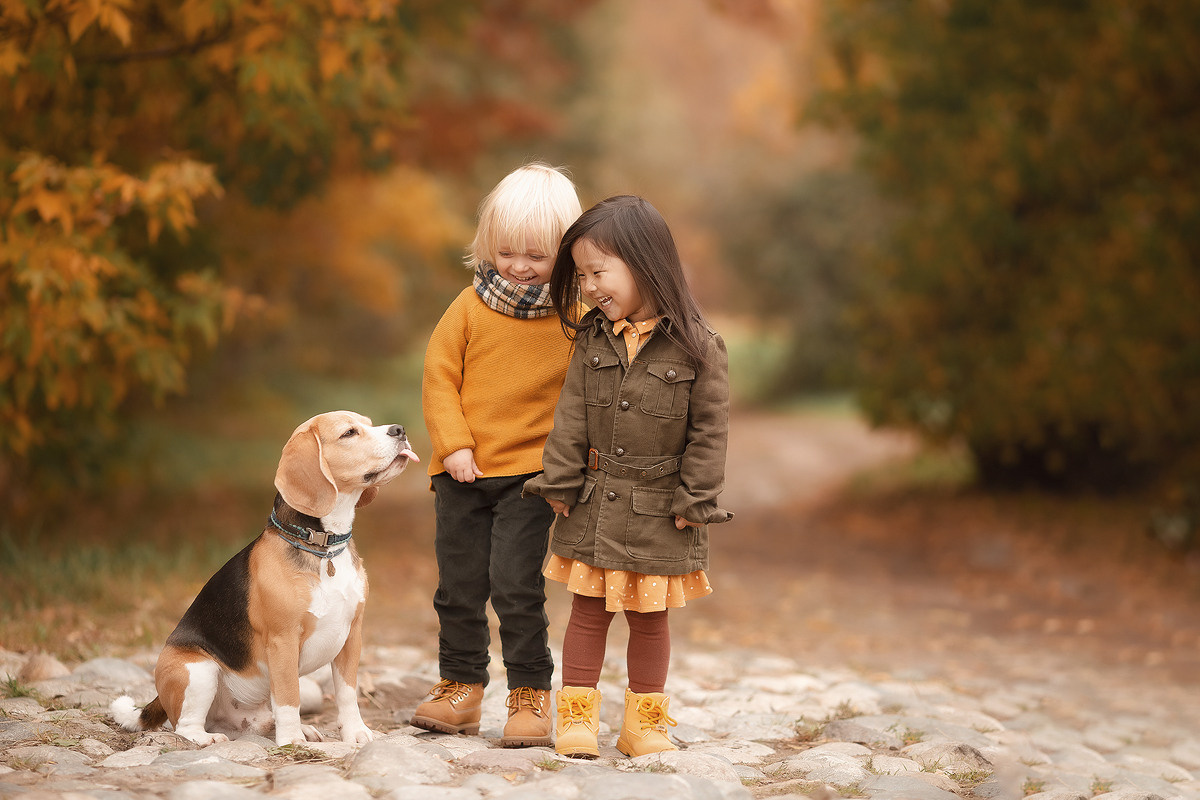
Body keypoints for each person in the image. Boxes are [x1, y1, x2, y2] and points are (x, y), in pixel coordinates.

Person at [524, 195, 733, 758]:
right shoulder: (592, 338)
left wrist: (698, 498)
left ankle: (645, 724)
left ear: (645, 264)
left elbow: (709, 432)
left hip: (660, 509)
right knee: (587, 614)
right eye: (582, 276)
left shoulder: (699, 348)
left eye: (599, 272)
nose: (589, 286)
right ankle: (576, 719)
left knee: (650, 619)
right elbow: (570, 414)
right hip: (595, 501)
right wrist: (560, 480)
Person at [414, 163, 582, 747]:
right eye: (507, 251)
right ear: (489, 245)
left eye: (536, 255)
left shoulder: (575, 316)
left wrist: (569, 467)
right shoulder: (467, 306)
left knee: (515, 586)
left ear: (565, 251)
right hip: (462, 471)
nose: (518, 265)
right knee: (457, 586)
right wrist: (453, 445)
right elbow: (439, 377)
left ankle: (530, 694)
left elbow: (585, 395)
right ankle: (459, 686)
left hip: (530, 477)